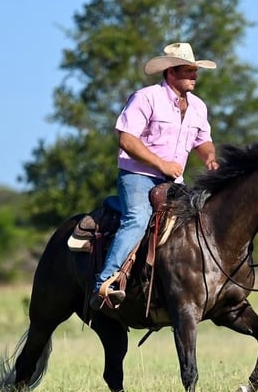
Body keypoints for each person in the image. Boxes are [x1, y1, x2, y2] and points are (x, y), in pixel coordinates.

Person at [90, 42, 220, 310]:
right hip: (138, 176)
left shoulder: (198, 107)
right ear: (171, 72)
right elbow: (127, 140)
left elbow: (203, 140)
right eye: (189, 71)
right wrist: (161, 164)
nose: (194, 76)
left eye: (195, 71)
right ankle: (105, 284)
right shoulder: (146, 97)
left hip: (174, 182)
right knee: (137, 218)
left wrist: (209, 158)